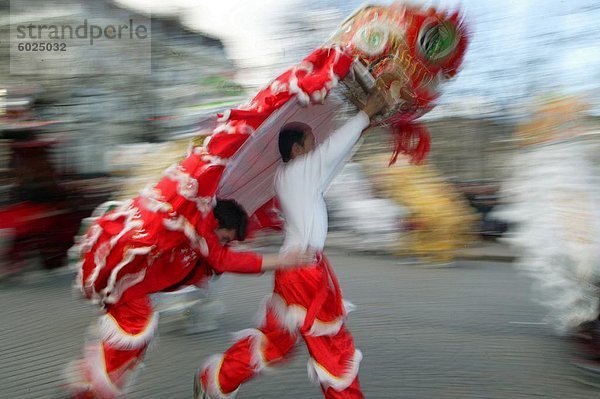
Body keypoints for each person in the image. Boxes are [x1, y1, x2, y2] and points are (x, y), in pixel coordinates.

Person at [196, 88, 387, 399]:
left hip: (296, 270)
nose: (317, 149)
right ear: (298, 150)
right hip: (304, 271)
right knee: (332, 346)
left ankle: (218, 378)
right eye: (311, 144)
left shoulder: (293, 174)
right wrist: (365, 113)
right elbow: (333, 152)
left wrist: (365, 124)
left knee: (277, 343)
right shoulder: (300, 170)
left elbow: (334, 161)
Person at [66, 194, 309, 399]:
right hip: (126, 287)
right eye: (223, 238)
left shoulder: (204, 243)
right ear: (214, 223)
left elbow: (222, 258)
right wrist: (282, 261)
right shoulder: (196, 230)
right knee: (134, 333)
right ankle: (88, 383)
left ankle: (90, 382)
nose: (223, 245)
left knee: (134, 348)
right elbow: (225, 259)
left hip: (133, 290)